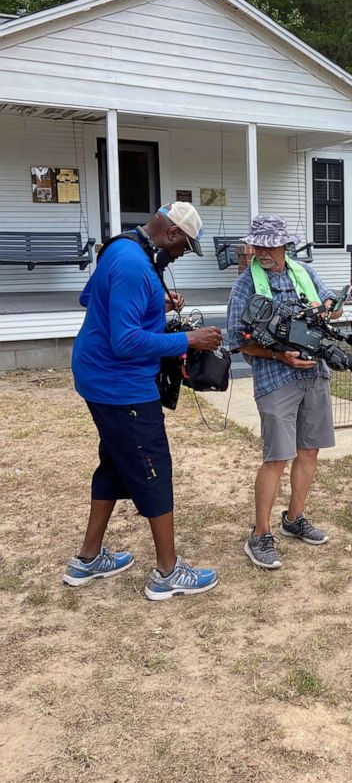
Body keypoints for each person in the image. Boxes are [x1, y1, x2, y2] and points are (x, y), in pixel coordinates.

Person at [65, 202, 223, 600]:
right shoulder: (136, 267)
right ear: (170, 234)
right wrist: (190, 338)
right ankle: (168, 573)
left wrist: (156, 306)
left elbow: (92, 300)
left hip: (97, 378)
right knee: (154, 470)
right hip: (122, 387)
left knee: (115, 464)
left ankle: (87, 559)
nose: (183, 254)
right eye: (185, 247)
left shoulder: (120, 248)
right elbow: (126, 341)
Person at [227, 214, 338, 572]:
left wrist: (330, 307)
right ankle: (259, 534)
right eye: (257, 245)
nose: (262, 252)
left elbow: (330, 303)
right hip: (275, 379)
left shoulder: (303, 272)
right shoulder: (245, 285)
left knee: (309, 450)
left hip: (315, 373)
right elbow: (236, 340)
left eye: (269, 245)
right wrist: (278, 353)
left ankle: (294, 518)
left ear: (285, 245)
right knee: (276, 457)